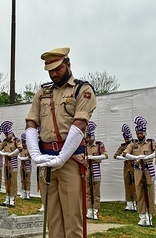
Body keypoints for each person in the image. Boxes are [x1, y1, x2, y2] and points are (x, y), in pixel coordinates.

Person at [25, 47, 97, 237]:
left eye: (58, 68)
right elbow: (31, 121)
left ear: (68, 64)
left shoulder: (82, 89)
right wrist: (34, 153)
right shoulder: (42, 92)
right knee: (53, 218)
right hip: (46, 160)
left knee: (72, 218)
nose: (54, 74)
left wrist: (62, 157)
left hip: (70, 160)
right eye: (50, 70)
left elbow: (80, 123)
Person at [123, 116, 156, 226]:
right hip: (137, 170)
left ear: (144, 132)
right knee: (139, 193)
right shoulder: (134, 143)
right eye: (137, 133)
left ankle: (149, 215)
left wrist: (147, 157)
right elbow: (125, 153)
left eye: (141, 133)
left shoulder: (151, 142)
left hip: (148, 169)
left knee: (150, 193)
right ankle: (142, 215)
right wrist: (134, 158)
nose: (139, 135)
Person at [85, 121, 108, 220]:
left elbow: (105, 155)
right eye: (87, 137)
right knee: (87, 191)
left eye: (89, 137)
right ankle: (89, 209)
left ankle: (95, 210)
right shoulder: (84, 145)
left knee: (96, 190)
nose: (88, 139)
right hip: (87, 169)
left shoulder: (99, 145)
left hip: (96, 168)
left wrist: (93, 157)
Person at [0, 120, 22, 207]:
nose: (6, 136)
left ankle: (13, 199)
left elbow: (20, 148)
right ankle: (7, 197)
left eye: (7, 134)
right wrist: (3, 153)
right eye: (5, 134)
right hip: (6, 162)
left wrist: (11, 154)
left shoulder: (16, 140)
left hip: (13, 161)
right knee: (6, 179)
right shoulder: (4, 141)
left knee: (13, 180)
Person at [114, 124, 136, 211]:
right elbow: (116, 155)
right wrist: (125, 158)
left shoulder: (135, 143)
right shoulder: (123, 145)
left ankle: (135, 202)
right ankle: (129, 203)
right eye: (125, 138)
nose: (126, 139)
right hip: (127, 166)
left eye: (127, 137)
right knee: (127, 183)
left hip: (135, 165)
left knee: (135, 184)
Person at [18, 133, 32, 200]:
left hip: (27, 165)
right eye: (23, 142)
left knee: (27, 179)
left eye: (25, 142)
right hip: (22, 165)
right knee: (22, 179)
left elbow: (29, 157)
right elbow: (19, 155)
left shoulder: (29, 148)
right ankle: (23, 192)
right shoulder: (21, 149)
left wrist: (23, 158)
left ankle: (28, 193)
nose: (24, 144)